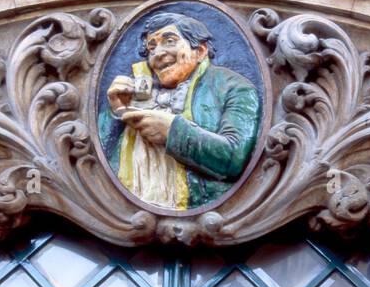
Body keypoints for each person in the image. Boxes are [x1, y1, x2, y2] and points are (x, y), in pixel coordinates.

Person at [100, 12, 260, 211]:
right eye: (151, 47)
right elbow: (97, 155)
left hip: (205, 215)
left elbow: (234, 158)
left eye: (169, 41)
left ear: (200, 51)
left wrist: (172, 131)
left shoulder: (233, 87)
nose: (157, 54)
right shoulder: (135, 91)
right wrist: (118, 111)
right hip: (125, 214)